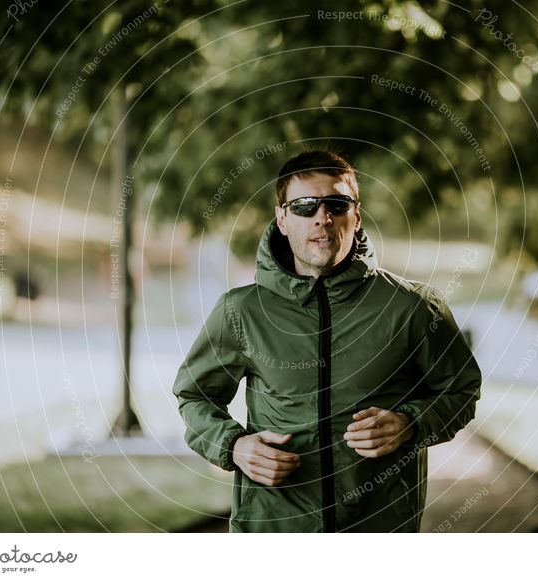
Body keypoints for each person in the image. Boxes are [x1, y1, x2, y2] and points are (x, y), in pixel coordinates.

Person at [172, 150, 481, 532]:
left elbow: (461, 389)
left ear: (357, 215)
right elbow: (195, 395)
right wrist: (234, 445)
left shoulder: (415, 308)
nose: (323, 217)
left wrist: (411, 423)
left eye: (337, 203)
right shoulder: (240, 311)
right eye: (304, 206)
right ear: (282, 218)